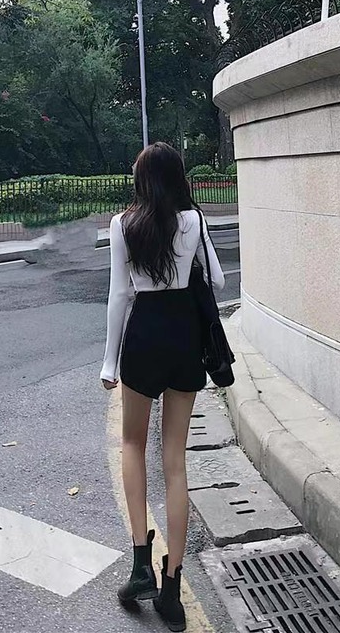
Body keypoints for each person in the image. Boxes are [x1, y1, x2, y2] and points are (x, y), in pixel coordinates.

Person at [100, 142, 225, 632]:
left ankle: (140, 568)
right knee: (175, 460)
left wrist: (109, 361)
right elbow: (217, 281)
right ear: (177, 178)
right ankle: (172, 587)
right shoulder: (193, 220)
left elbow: (119, 294)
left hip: (145, 335)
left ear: (141, 180)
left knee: (132, 443)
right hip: (185, 337)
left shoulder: (123, 225)